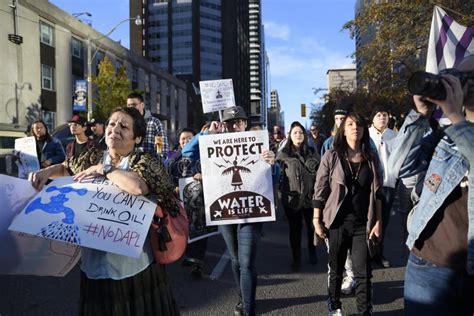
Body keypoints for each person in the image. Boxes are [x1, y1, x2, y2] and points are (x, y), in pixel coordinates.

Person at [29, 107, 179, 315]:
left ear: (137, 138)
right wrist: (46, 172)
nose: (114, 129)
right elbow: (67, 168)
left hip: (133, 265)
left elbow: (137, 187)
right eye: (111, 123)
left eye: (124, 126)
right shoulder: (94, 156)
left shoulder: (144, 160)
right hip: (95, 263)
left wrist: (105, 169)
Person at [389, 55, 474, 315]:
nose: (456, 86)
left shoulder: (456, 128)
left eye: (466, 78)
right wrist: (419, 116)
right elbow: (398, 168)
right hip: (427, 264)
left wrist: (455, 117)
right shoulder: (445, 137)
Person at [181, 106, 275, 316]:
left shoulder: (257, 144)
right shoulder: (214, 143)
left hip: (251, 211)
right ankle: (243, 297)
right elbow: (187, 152)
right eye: (229, 122)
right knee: (235, 260)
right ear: (224, 125)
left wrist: (272, 163)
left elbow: (273, 178)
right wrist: (205, 134)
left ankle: (249, 308)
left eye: (238, 121)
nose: (234, 126)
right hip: (224, 210)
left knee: (247, 261)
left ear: (245, 124)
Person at [313, 112, 382, 316]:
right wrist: (317, 220)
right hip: (337, 222)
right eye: (350, 124)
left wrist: (378, 222)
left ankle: (364, 311)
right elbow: (320, 189)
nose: (355, 128)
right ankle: (334, 307)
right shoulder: (331, 156)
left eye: (359, 125)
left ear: (364, 130)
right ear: (343, 129)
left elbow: (378, 192)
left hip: (363, 223)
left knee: (363, 273)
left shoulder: (370, 157)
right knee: (336, 271)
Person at [277, 121, 320, 271]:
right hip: (292, 200)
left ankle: (312, 252)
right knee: (295, 229)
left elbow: (321, 173)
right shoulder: (283, 154)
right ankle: (296, 258)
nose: (298, 135)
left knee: (311, 227)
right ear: (290, 136)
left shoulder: (312, 152)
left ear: (305, 135)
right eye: (295, 132)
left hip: (310, 198)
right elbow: (275, 171)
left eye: (301, 132)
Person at [167, 127, 208, 279]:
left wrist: (203, 176)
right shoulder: (173, 158)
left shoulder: (202, 155)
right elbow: (167, 175)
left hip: (199, 200)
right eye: (183, 139)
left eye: (189, 138)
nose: (186, 141)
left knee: (199, 229)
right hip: (178, 199)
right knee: (184, 229)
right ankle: (189, 256)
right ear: (179, 142)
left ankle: (198, 263)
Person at [368, 106, 397, 268]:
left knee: (383, 221)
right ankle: (367, 252)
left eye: (384, 114)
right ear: (373, 118)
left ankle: (379, 253)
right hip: (368, 185)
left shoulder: (394, 136)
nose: (382, 118)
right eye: (378, 115)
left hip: (387, 184)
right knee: (368, 219)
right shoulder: (366, 134)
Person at [126, 92, 169, 159]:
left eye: (134, 105)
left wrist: (156, 163)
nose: (131, 108)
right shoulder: (125, 123)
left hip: (149, 165)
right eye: (129, 105)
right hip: (128, 165)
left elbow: (160, 148)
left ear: (142, 105)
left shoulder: (154, 123)